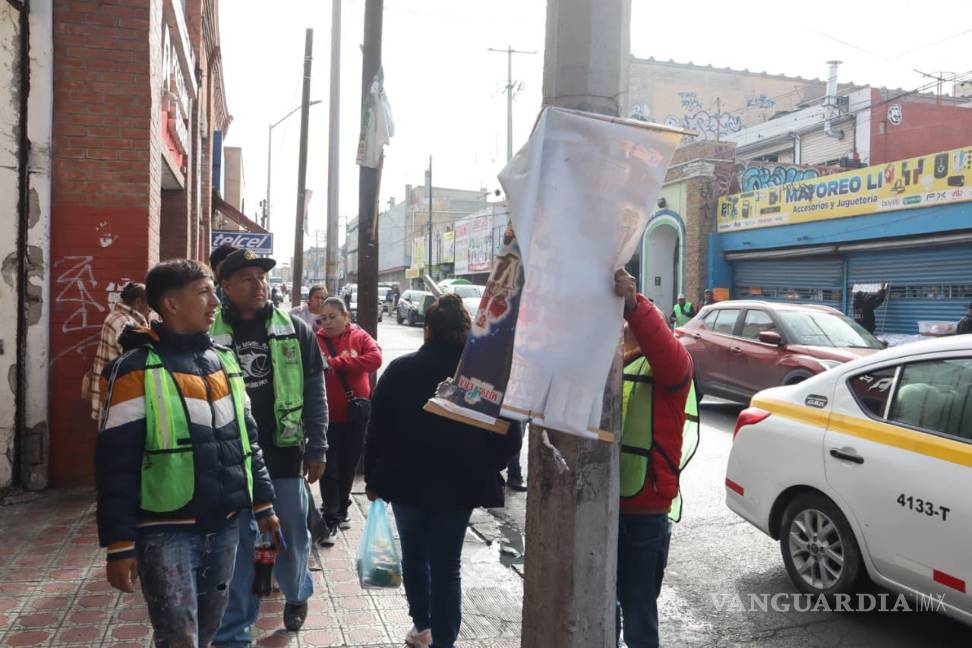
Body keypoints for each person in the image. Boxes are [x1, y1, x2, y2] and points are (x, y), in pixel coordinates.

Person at [95, 259, 279, 648]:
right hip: (165, 531)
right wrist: (119, 543)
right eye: (204, 292)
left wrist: (263, 503)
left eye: (213, 290)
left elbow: (248, 439)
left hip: (226, 524)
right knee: (178, 635)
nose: (215, 301)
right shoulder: (133, 370)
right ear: (172, 304)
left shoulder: (223, 361)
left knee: (208, 629)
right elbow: (115, 464)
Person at [365, 294, 522, 648]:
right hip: (459, 486)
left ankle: (422, 626)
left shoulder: (401, 370)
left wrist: (374, 477)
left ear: (428, 330)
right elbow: (510, 436)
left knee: (415, 556)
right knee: (447, 565)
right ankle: (444, 642)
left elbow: (377, 428)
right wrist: (485, 464)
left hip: (406, 483)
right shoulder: (481, 380)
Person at [212, 249, 329, 644]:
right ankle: (237, 626)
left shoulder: (295, 330)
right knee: (241, 544)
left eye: (261, 277)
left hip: (283, 455)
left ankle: (296, 593)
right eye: (246, 277)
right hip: (229, 459)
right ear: (225, 287)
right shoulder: (207, 334)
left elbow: (316, 392)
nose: (258, 283)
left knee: (293, 536)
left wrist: (319, 447)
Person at [614, 269, 694, 648]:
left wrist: (634, 304)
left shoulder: (670, 367)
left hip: (644, 513)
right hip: (602, 507)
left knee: (638, 610)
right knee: (602, 608)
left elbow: (665, 349)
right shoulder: (612, 363)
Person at [315, 297, 382, 545]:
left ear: (346, 316)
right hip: (325, 416)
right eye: (324, 318)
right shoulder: (315, 340)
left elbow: (374, 360)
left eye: (333, 317)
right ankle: (330, 516)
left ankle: (341, 509)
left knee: (348, 465)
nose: (328, 322)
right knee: (328, 466)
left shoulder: (360, 336)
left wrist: (337, 363)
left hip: (355, 415)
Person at [89, 282, 151, 420]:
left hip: (109, 391)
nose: (149, 311)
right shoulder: (126, 324)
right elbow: (137, 361)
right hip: (118, 395)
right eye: (149, 306)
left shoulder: (115, 316)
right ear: (138, 302)